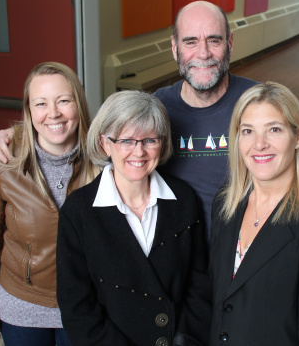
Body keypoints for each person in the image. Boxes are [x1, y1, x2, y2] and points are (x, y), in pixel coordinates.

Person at [0, 1, 299, 241]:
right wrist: (21, 133)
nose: (202, 53)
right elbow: (96, 139)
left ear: (229, 44)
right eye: (190, 42)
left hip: (251, 258)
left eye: (213, 41)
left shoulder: (264, 106)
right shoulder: (154, 108)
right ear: (174, 49)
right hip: (172, 261)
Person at [56, 90, 211, 346]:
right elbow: (77, 307)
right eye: (126, 141)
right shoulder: (78, 211)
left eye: (150, 140)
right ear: (105, 143)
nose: (139, 152)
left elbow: (199, 286)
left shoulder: (183, 199)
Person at [209, 82, 299, 345]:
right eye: (248, 131)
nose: (259, 144)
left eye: (274, 130)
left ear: (298, 137)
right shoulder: (225, 204)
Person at [0, 62, 99, 345]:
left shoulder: (104, 161)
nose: (53, 113)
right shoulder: (3, 162)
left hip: (85, 306)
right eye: (41, 103)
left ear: (79, 103)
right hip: (21, 308)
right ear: (29, 111)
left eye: (64, 101)